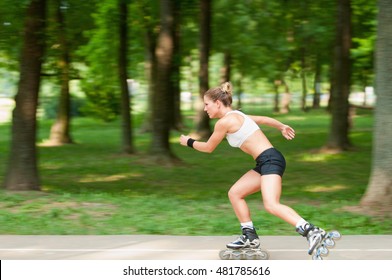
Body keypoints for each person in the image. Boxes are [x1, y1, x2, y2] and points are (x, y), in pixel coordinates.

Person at [180, 82, 326, 255]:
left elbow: (208, 147)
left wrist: (188, 141)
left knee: (271, 204)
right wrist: (281, 126)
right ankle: (249, 236)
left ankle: (311, 231)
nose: (205, 109)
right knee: (235, 193)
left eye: (206, 104)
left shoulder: (225, 122)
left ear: (217, 103)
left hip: (270, 160)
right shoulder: (237, 115)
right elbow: (263, 120)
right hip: (265, 161)